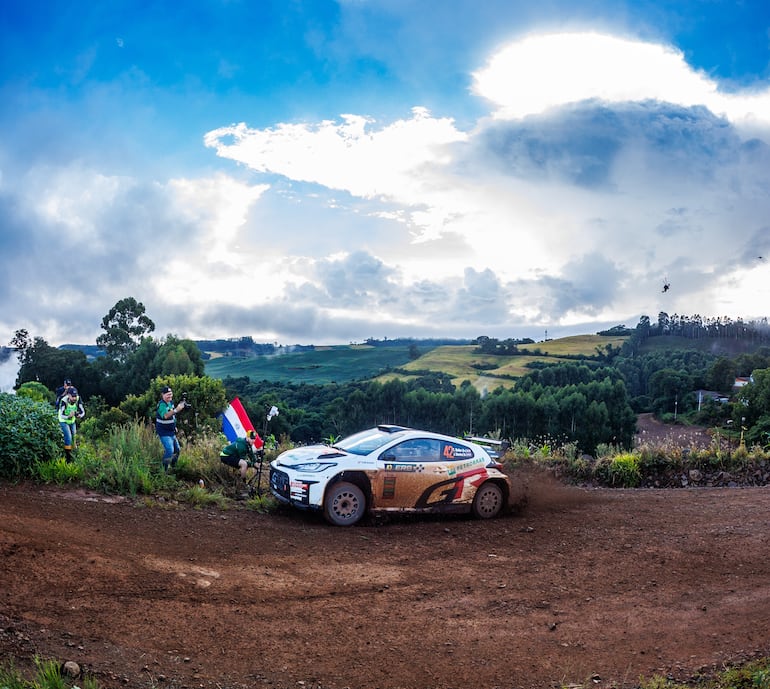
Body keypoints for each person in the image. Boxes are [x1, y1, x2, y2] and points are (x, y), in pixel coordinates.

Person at [155, 385, 187, 472]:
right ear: (162, 395)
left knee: (177, 450)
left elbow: (172, 416)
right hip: (164, 432)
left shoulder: (170, 403)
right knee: (170, 450)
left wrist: (174, 426)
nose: (170, 396)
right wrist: (177, 409)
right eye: (168, 395)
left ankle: (173, 467)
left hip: (171, 431)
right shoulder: (161, 405)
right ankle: (164, 470)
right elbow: (165, 415)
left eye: (171, 394)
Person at [58, 386, 85, 462]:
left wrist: (80, 415)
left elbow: (83, 411)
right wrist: (68, 416)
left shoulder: (78, 399)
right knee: (68, 437)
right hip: (63, 420)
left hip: (72, 420)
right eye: (72, 396)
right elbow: (61, 415)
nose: (74, 398)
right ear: (68, 395)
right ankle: (68, 458)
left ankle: (75, 453)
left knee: (74, 436)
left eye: (75, 396)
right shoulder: (63, 401)